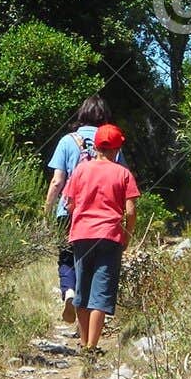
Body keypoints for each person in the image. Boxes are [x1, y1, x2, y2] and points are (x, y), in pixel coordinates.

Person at [61, 122, 139, 360]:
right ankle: (91, 347)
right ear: (117, 149)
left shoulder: (81, 170)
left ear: (95, 146)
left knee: (82, 291)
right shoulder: (123, 173)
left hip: (82, 235)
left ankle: (84, 342)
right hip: (110, 236)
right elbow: (131, 209)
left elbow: (68, 203)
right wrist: (127, 234)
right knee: (101, 293)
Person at [44, 95, 113, 335]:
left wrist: (47, 211)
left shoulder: (67, 141)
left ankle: (69, 291)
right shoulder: (110, 142)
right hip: (101, 216)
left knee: (66, 256)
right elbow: (120, 176)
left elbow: (57, 181)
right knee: (95, 267)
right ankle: (91, 323)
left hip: (68, 210)